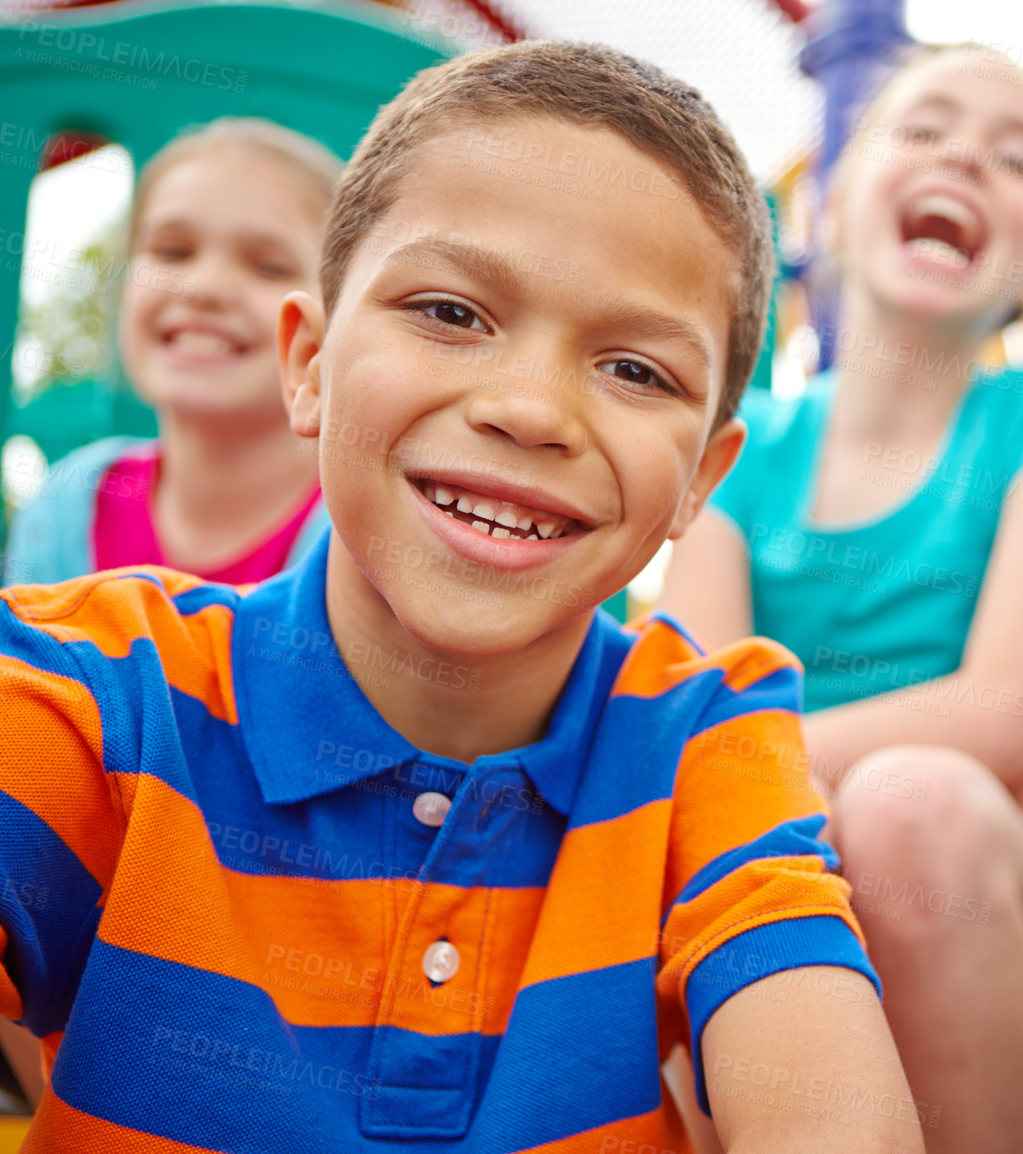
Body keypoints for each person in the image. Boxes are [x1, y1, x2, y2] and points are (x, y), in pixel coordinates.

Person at [0, 41, 922, 1154]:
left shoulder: (705, 743)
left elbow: (822, 1093)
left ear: (701, 480)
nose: (532, 409)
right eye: (450, 311)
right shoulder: (103, 693)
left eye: (635, 369)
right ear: (311, 366)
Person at [660, 42, 1023, 1154]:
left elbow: (1009, 710)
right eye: (922, 130)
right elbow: (694, 733)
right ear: (828, 201)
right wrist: (764, 769)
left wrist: (784, 756)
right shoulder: (745, 446)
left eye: (1015, 159)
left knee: (913, 801)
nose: (964, 153)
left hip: (1015, 948)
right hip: (776, 919)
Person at [4, 118, 334, 587]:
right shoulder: (65, 508)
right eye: (173, 252)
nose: (204, 288)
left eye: (269, 267)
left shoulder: (353, 536)